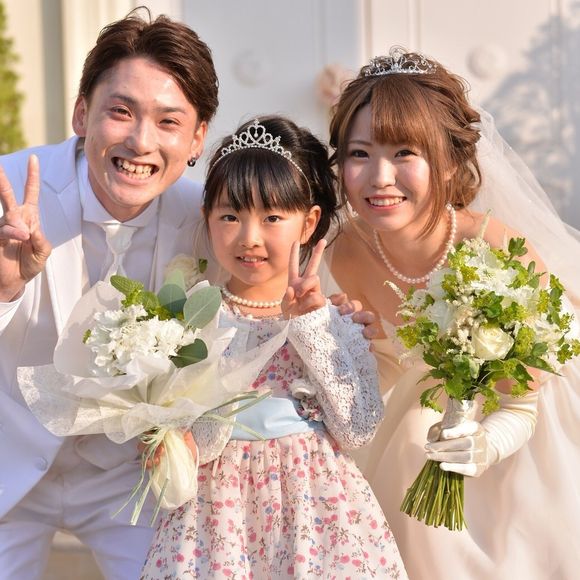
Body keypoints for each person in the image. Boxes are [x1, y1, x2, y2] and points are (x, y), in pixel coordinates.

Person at [326, 47, 580, 579]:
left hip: (533, 405)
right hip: (429, 410)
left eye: (404, 153)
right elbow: (389, 362)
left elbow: (526, 393)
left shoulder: (494, 246)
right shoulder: (347, 250)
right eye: (359, 153)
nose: (379, 177)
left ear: (446, 160)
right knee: (412, 450)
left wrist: (486, 442)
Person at [0, 9, 219, 579]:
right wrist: (4, 290)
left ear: (197, 137)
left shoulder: (209, 220)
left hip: (127, 474)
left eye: (168, 122)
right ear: (82, 113)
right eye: (121, 112)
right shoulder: (9, 192)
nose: (140, 141)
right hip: (5, 459)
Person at [140, 116, 408, 579]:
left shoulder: (334, 321)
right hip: (215, 523)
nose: (249, 237)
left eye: (272, 218)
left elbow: (358, 427)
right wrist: (169, 441)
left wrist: (310, 324)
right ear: (207, 217)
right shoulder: (188, 322)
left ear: (308, 223)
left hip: (315, 520)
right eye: (230, 216)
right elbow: (182, 438)